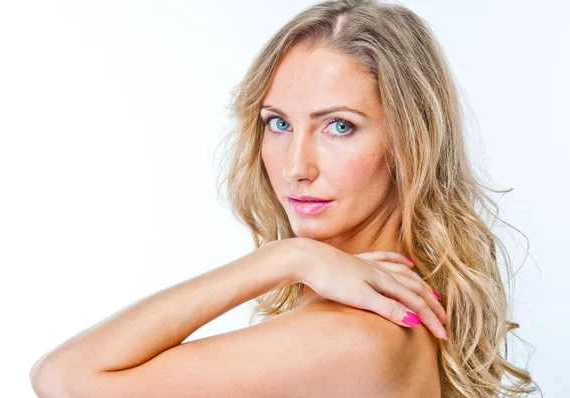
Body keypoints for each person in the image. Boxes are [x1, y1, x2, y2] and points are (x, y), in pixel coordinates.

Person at [30, 0, 540, 397]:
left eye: (339, 126)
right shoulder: (393, 300)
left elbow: (64, 377)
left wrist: (285, 257)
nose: (296, 167)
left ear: (410, 142)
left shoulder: (352, 338)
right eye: (278, 123)